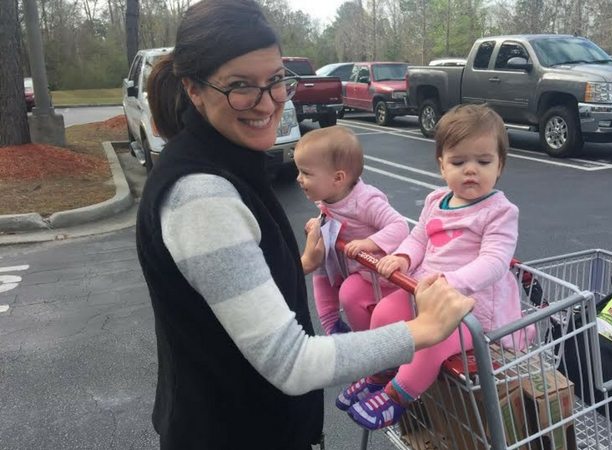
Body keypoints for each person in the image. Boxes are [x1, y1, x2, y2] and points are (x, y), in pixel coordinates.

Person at [135, 1, 475, 449]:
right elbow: (291, 361)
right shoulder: (202, 196)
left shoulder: (226, 160)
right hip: (233, 433)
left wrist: (300, 266)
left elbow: (223, 294)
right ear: (193, 89)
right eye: (241, 86)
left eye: (275, 80)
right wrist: (423, 331)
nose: (268, 102)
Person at [338, 104, 533, 430]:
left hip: (468, 305)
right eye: (459, 162)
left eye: (483, 162)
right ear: (442, 165)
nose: (471, 170)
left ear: (500, 165)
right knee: (384, 313)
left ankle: (398, 396)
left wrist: (450, 282)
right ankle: (381, 373)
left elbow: (494, 262)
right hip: (421, 289)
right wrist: (402, 258)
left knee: (433, 341)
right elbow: (418, 239)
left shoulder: (500, 212)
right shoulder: (435, 201)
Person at [295, 126, 409, 335]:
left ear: (338, 179)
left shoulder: (365, 201)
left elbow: (400, 225)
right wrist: (318, 222)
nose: (298, 179)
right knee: (321, 270)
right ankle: (332, 324)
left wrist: (368, 244)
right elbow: (332, 216)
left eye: (306, 173)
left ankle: (369, 345)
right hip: (351, 268)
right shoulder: (330, 198)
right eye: (299, 171)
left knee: (350, 293)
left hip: (378, 275)